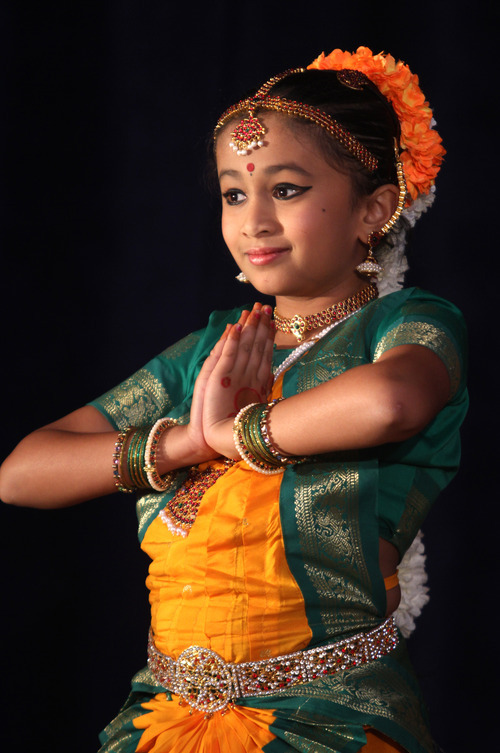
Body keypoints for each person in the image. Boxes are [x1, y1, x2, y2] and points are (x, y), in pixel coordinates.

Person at [0, 46, 468, 753]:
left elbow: (390, 402)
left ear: (372, 209)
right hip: (164, 718)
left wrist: (232, 433)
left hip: (326, 719)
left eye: (286, 190)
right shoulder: (212, 351)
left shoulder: (404, 325)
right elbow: (21, 472)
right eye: (233, 193)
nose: (254, 222)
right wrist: (184, 442)